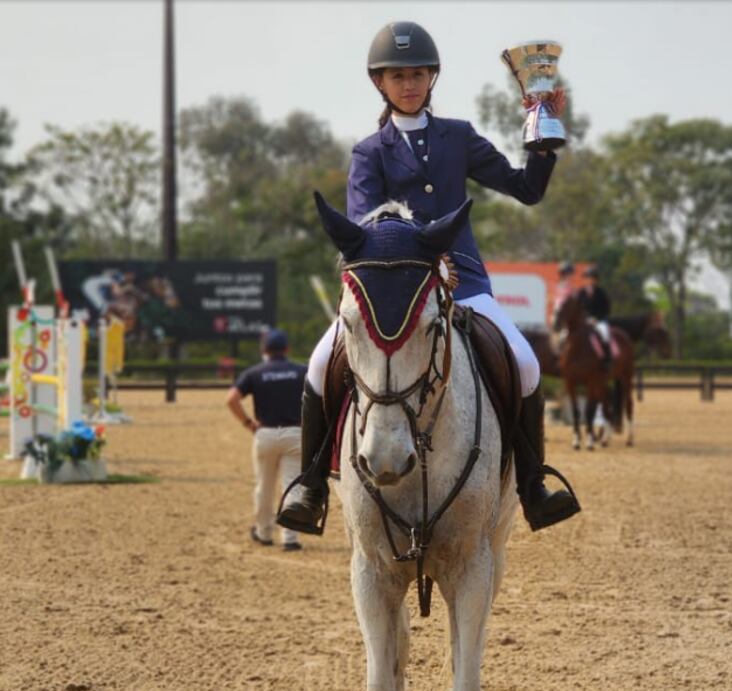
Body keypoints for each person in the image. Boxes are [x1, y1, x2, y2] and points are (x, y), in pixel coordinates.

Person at [278, 21, 580, 536]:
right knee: (319, 361)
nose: (409, 84)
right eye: (398, 76)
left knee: (526, 362)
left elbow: (525, 190)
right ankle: (309, 485)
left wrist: (543, 136)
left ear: (431, 78)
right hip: (393, 291)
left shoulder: (458, 137)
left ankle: (533, 484)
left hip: (465, 282)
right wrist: (419, 260)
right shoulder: (368, 152)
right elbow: (368, 227)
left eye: (418, 74)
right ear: (381, 83)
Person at [227, 328, 306, 551]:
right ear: (286, 349)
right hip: (294, 433)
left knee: (265, 486)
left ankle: (263, 533)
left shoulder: (255, 372)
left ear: (264, 350)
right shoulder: (301, 371)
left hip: (266, 433)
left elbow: (231, 399)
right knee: (292, 486)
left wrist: (248, 423)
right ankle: (290, 538)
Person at [577, 264, 612, 369]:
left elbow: (606, 309)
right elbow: (578, 309)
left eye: (591, 278)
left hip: (599, 321)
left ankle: (607, 360)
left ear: (596, 280)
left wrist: (596, 319)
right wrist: (584, 319)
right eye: (587, 278)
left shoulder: (601, 293)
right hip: (584, 321)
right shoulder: (581, 293)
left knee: (604, 333)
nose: (589, 280)